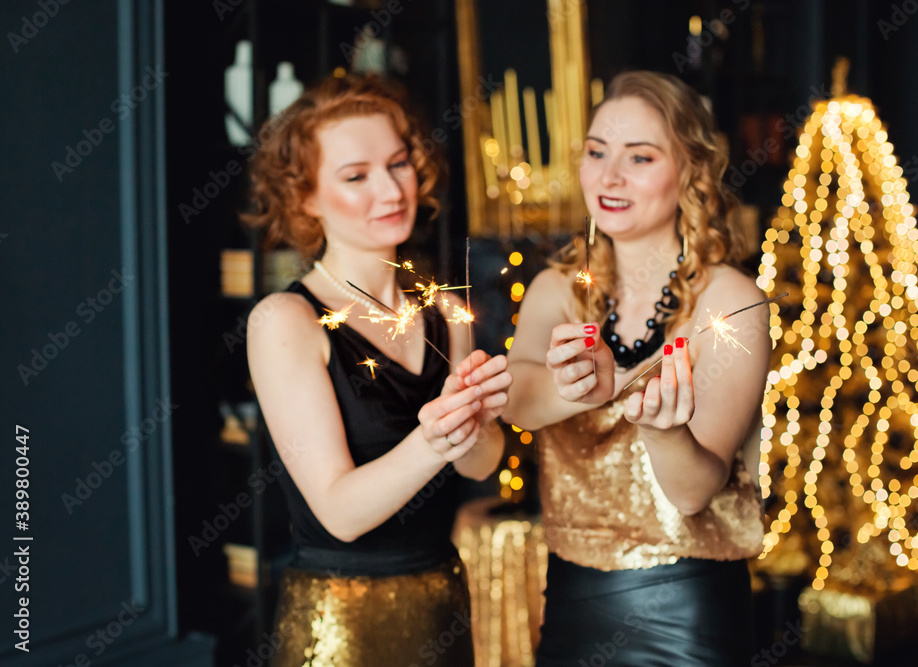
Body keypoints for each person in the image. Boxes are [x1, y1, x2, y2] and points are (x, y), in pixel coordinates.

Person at [504, 71, 770, 665]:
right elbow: (519, 401)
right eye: (597, 152)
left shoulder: (729, 300)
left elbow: (692, 492)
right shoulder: (558, 289)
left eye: (640, 157)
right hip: (571, 599)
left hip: (688, 612)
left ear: (692, 172)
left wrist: (657, 423)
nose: (609, 177)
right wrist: (588, 387)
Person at [244, 73, 510, 666]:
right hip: (340, 626)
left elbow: (482, 464)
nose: (390, 190)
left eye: (398, 164)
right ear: (305, 197)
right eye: (356, 176)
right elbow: (340, 515)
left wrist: (476, 424)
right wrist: (434, 438)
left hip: (442, 607)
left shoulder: (445, 310)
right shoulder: (285, 320)